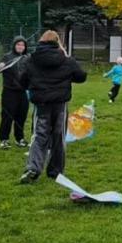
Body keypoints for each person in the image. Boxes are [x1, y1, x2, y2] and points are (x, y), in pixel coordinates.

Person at [18, 31, 87, 184]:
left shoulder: (31, 60)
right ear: (58, 42)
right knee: (59, 137)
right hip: (60, 105)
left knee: (39, 136)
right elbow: (81, 76)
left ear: (41, 41)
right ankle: (56, 171)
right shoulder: (66, 60)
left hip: (41, 104)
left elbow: (22, 81)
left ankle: (33, 168)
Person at [0, 36, 30, 149]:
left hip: (23, 92)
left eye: (23, 45)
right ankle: (4, 139)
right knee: (7, 116)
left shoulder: (27, 57)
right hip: (9, 92)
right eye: (18, 44)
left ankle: (19, 138)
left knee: (21, 116)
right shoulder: (7, 57)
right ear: (14, 45)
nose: (20, 47)